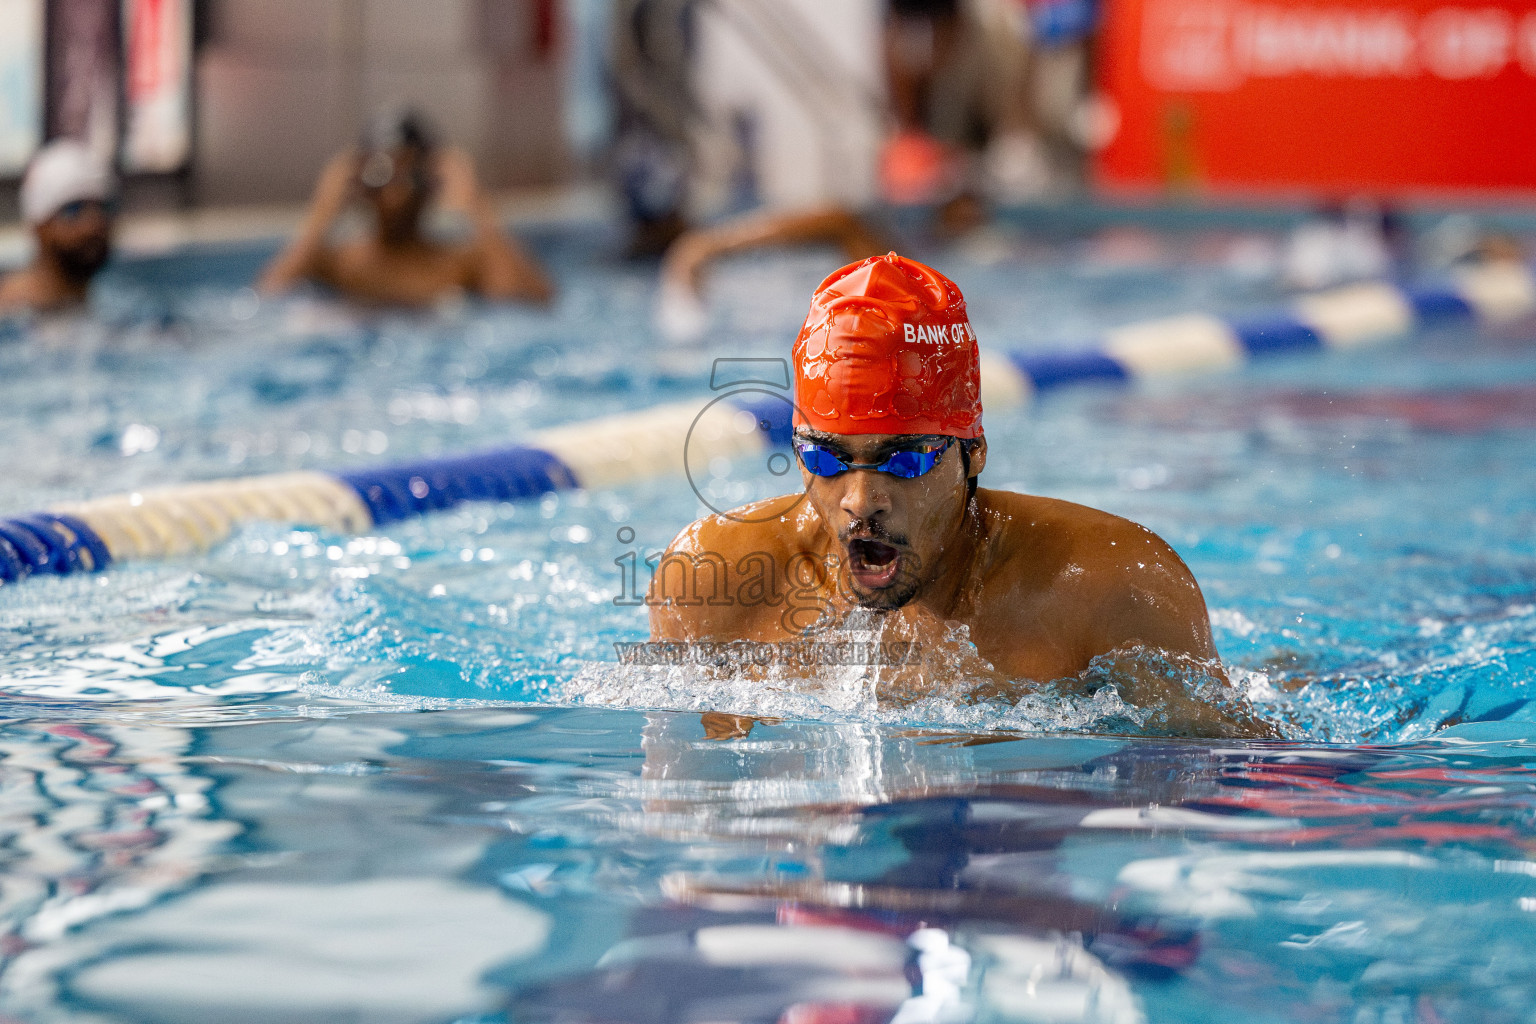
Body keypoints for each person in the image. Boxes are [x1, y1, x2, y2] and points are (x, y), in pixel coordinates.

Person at [649, 252, 1274, 738]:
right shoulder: (712, 582)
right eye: (825, 457)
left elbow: (1229, 770)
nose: (861, 499)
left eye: (905, 458)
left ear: (973, 452)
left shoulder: (1111, 589)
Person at [259, 110, 553, 307]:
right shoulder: (335, 263)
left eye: (409, 175)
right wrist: (322, 211)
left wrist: (477, 205)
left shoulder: (459, 264)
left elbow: (528, 302)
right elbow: (268, 299)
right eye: (381, 175)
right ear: (360, 181)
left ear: (430, 181)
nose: (396, 193)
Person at [0, 140, 116, 313]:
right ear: (39, 226)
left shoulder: (106, 304)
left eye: (102, 207)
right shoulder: (9, 311)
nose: (93, 223)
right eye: (73, 209)